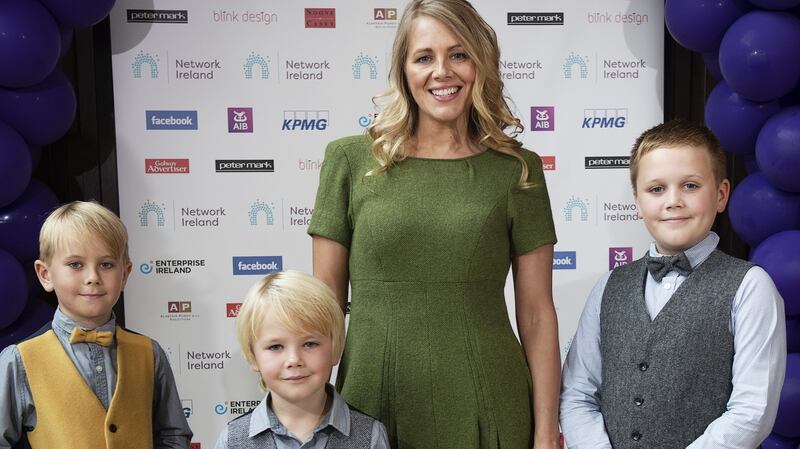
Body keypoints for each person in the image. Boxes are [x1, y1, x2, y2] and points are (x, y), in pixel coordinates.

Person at [308, 0, 560, 447]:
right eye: (424, 57)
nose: (442, 71)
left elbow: (537, 314)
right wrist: (311, 416)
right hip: (371, 395)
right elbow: (324, 303)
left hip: (490, 396)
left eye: (458, 54)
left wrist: (545, 432)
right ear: (403, 70)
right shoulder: (349, 160)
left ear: (480, 63)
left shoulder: (519, 170)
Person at [559, 120, 787, 449]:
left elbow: (752, 411)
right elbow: (577, 394)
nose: (673, 201)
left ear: (721, 195)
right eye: (656, 189)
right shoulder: (608, 287)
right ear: (637, 202)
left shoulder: (750, 287)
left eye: (690, 186)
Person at [0, 201, 192, 449]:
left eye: (106, 264)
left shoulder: (150, 353)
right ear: (45, 275)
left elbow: (173, 436)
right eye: (75, 264)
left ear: (125, 274)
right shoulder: (19, 361)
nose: (93, 277)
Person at [215, 270, 389, 449]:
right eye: (276, 347)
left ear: (335, 348)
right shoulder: (231, 441)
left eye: (309, 344)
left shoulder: (370, 436)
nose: (294, 360)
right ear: (253, 357)